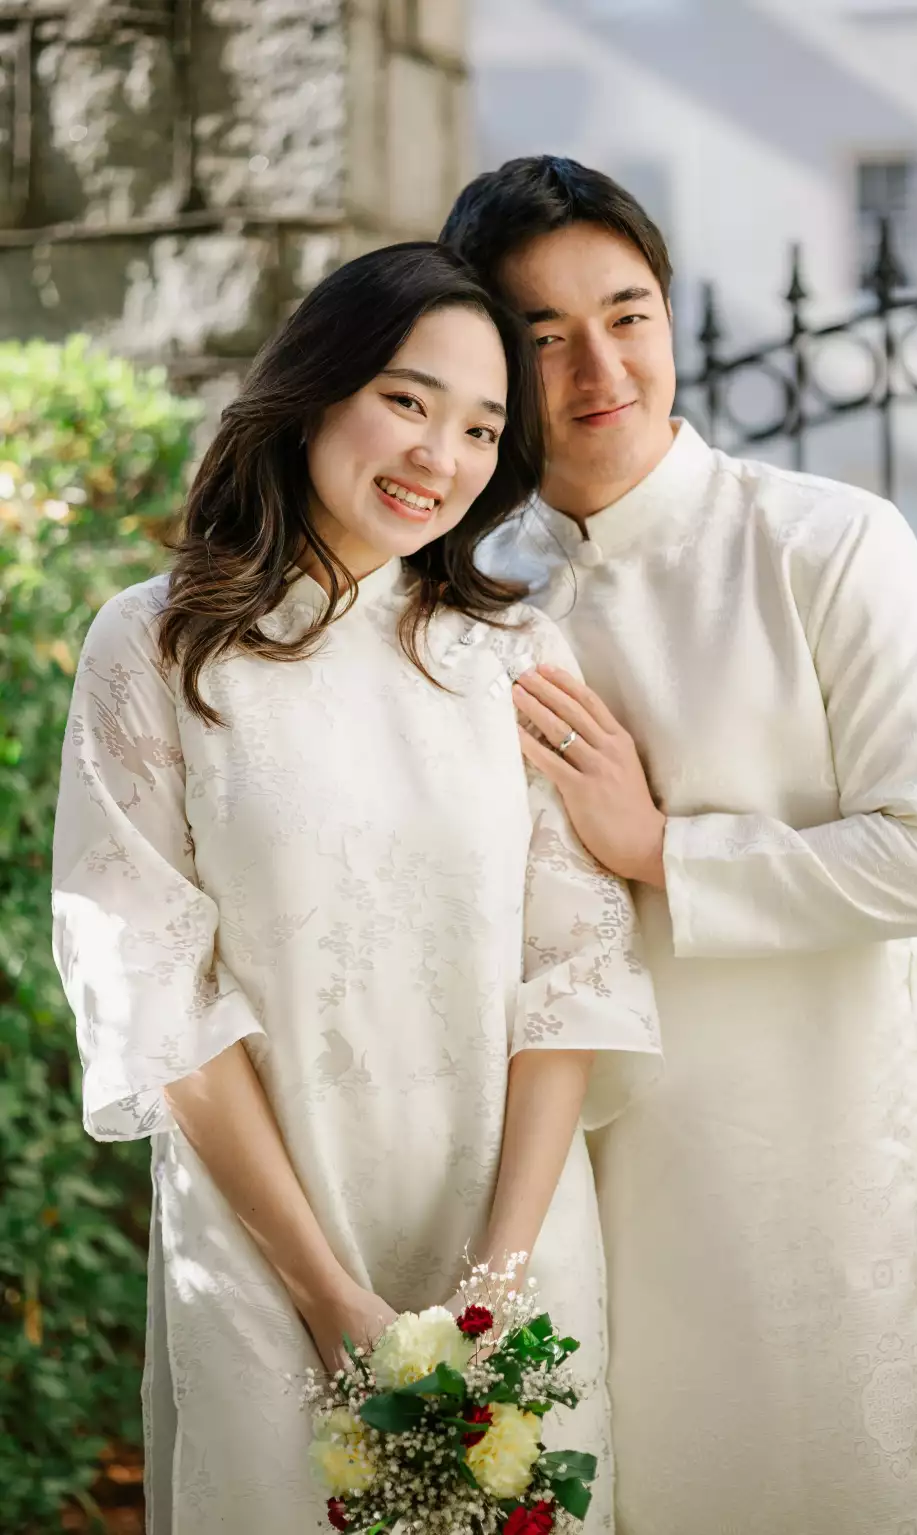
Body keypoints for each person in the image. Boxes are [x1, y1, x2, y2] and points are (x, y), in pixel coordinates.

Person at [52, 242, 661, 1534]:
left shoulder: (513, 654)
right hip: (268, 1254)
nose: (442, 453)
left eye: (485, 426)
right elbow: (152, 985)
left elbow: (577, 973)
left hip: (516, 1242)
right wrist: (327, 1293)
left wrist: (496, 1289)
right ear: (319, 388)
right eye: (408, 398)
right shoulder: (156, 646)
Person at [441, 157, 917, 1535]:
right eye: (542, 335)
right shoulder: (472, 589)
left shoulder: (829, 544)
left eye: (626, 314)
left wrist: (662, 848)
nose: (598, 367)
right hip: (570, 1191)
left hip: (802, 1163)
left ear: (673, 317)